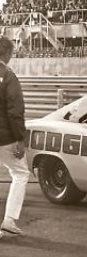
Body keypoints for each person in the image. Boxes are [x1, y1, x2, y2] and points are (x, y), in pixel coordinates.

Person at [0, 36, 29, 236]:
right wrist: (21, 138)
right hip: (4, 137)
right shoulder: (8, 75)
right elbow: (15, 111)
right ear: (8, 54)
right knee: (21, 173)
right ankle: (9, 220)